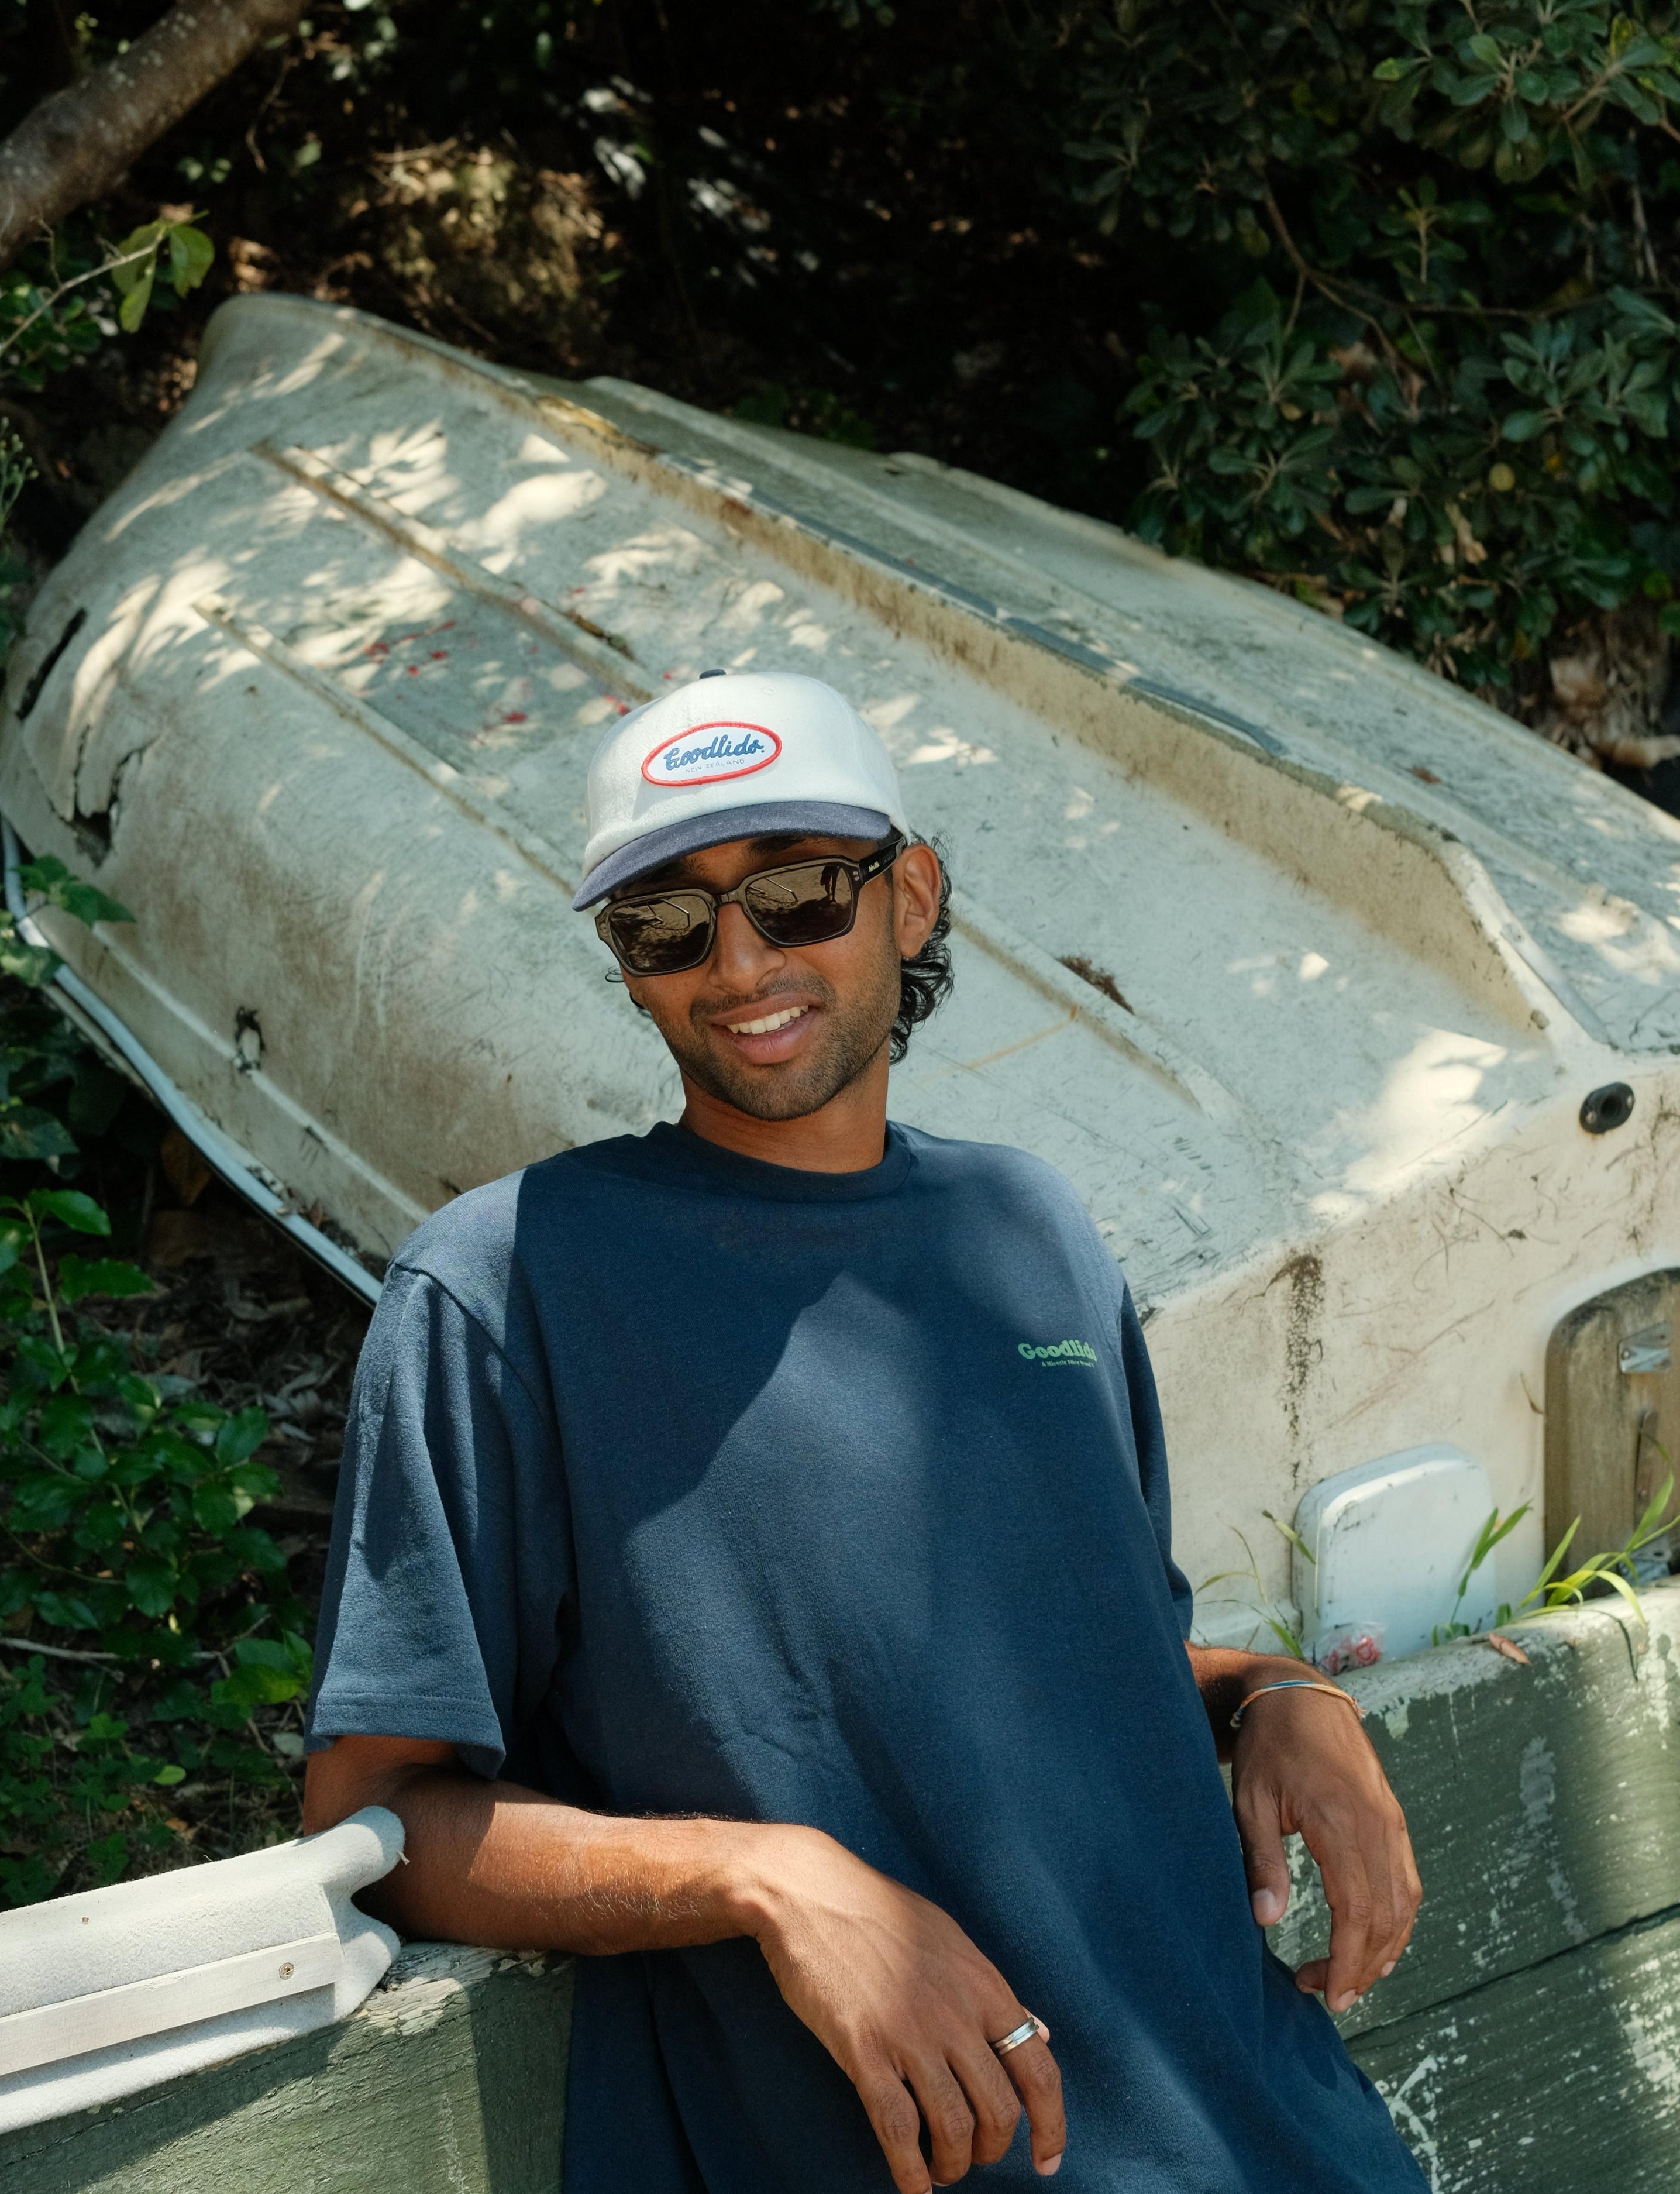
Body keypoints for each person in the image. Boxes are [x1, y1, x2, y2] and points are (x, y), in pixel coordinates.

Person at [303, 669, 1427, 2193]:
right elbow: (381, 1819)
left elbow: (1069, 1662)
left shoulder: (1029, 1229)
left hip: (1289, 2139)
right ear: (627, 967)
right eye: (668, 923)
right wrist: (772, 1878)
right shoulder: (504, 1292)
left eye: (794, 895)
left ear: (909, 894)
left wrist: (1273, 1691)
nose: (740, 961)